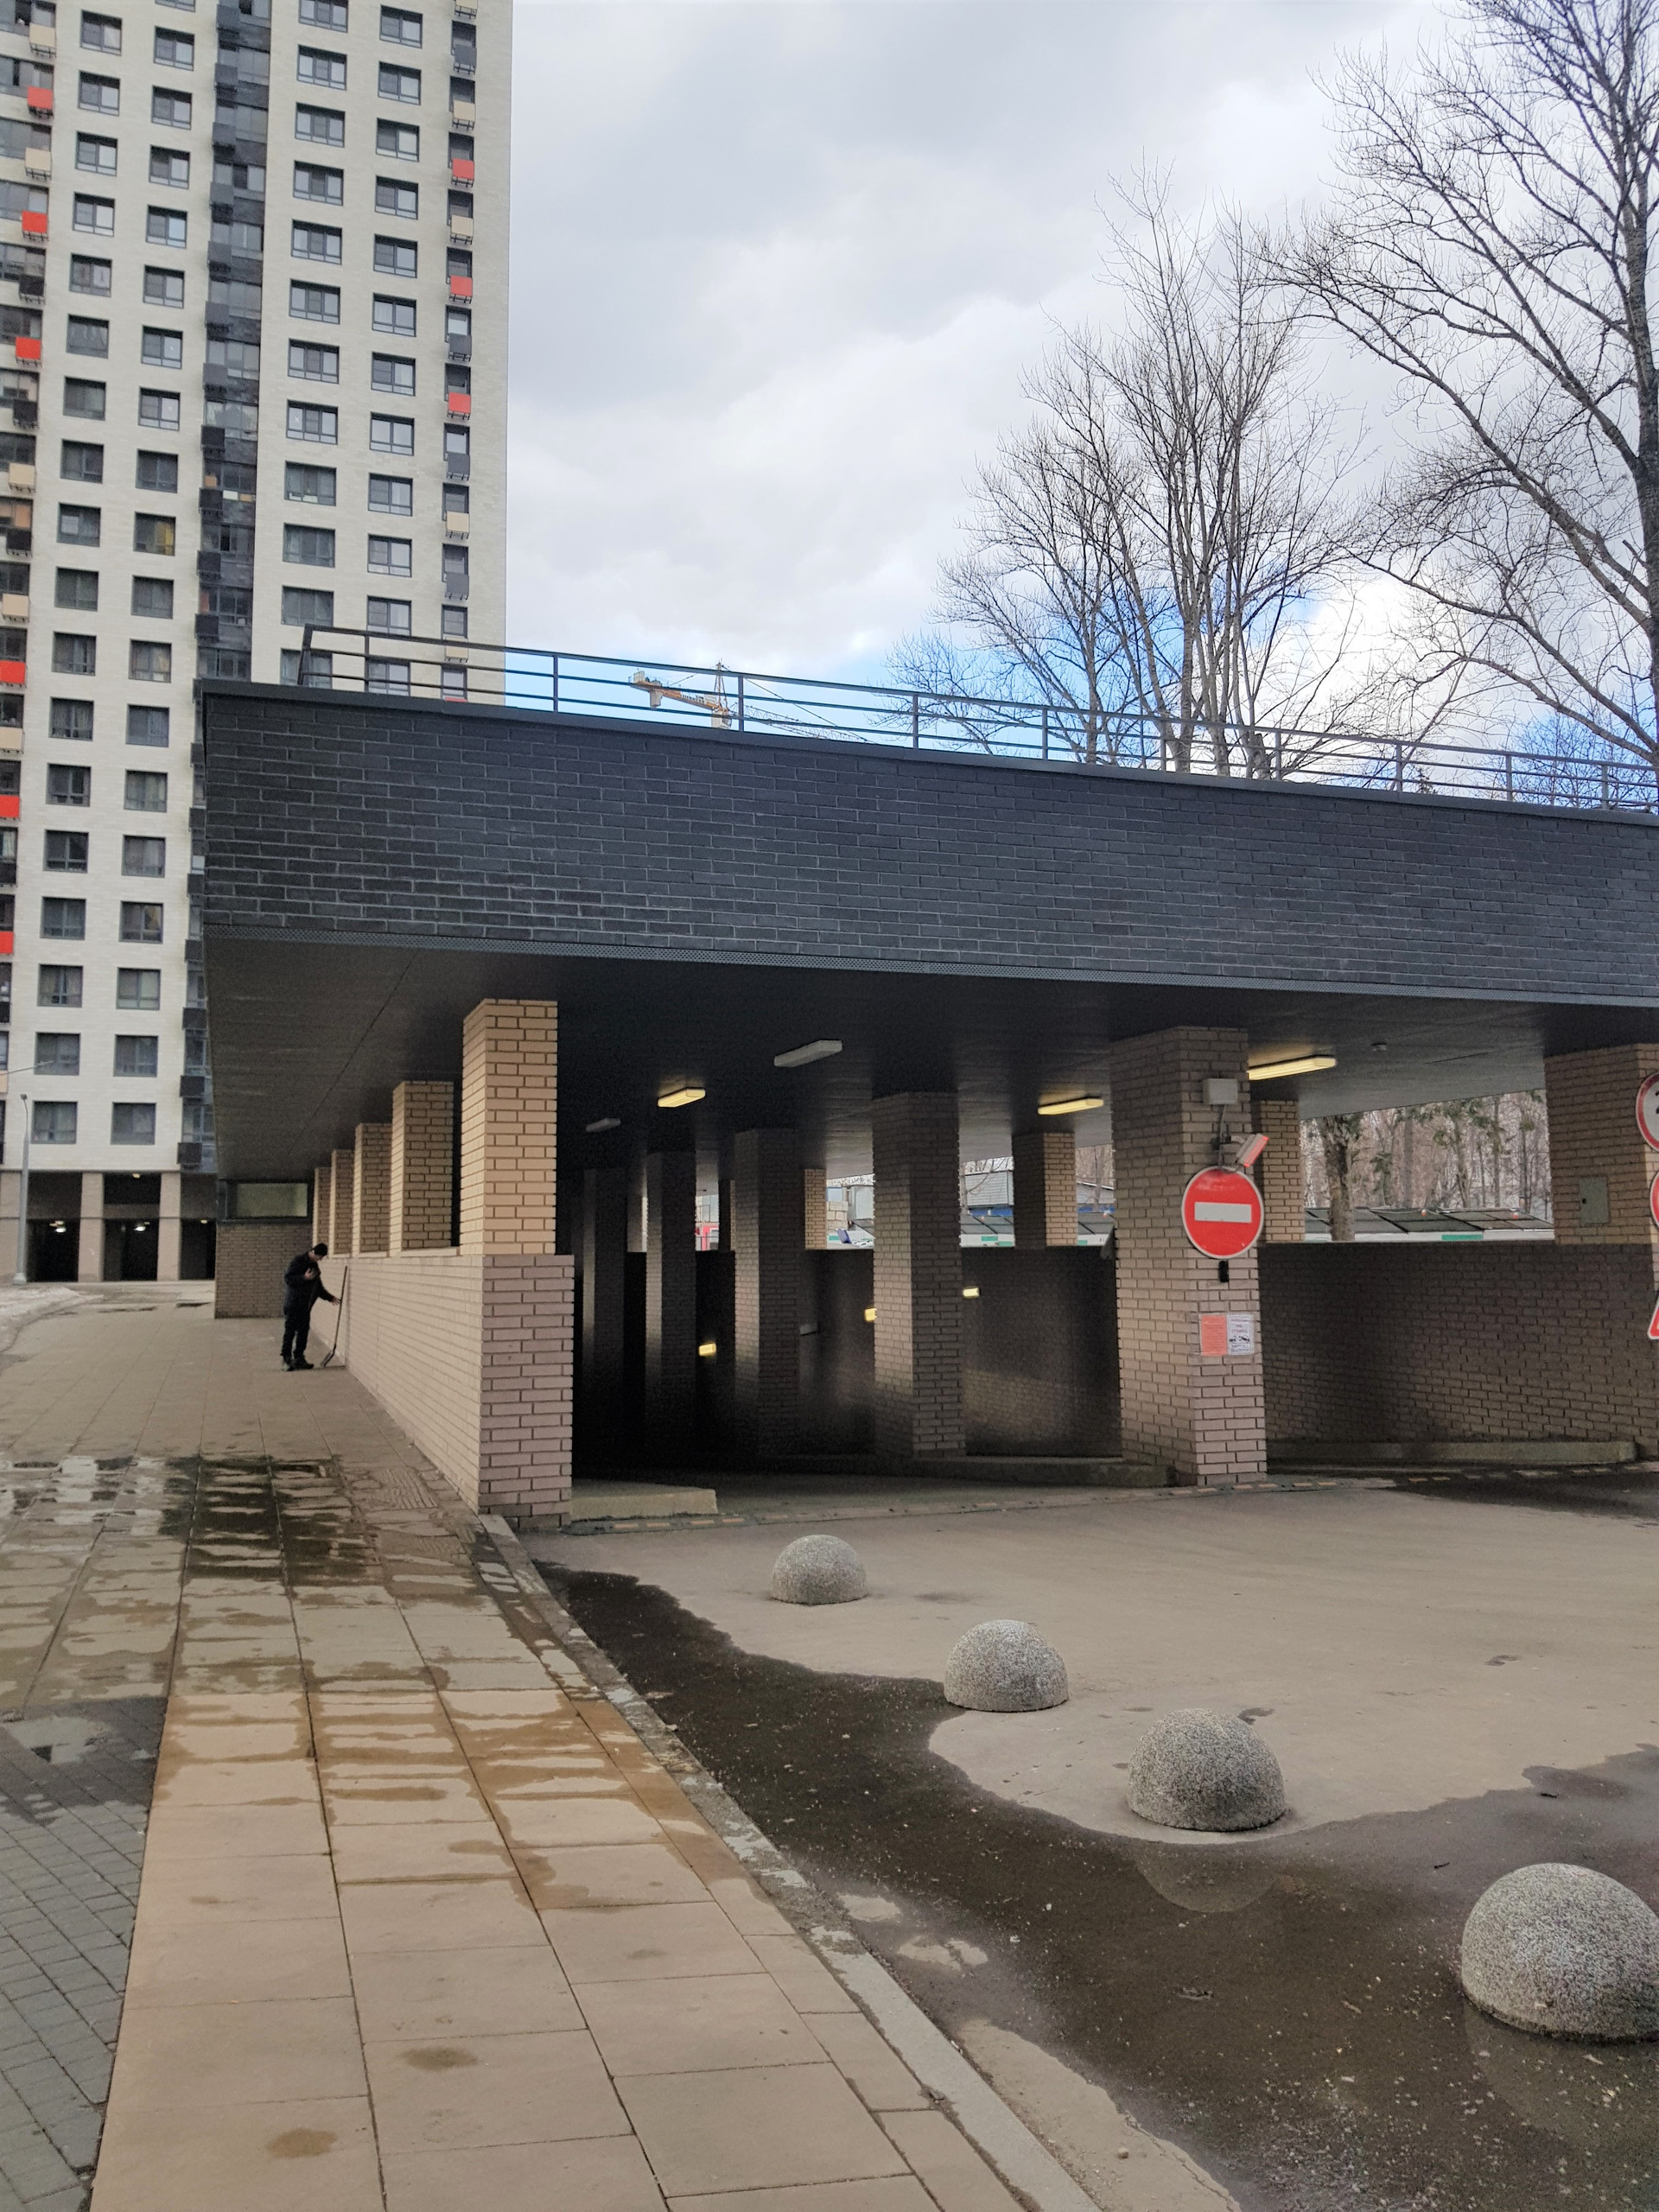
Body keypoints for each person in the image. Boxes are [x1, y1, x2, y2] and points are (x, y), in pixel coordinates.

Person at [281, 1243, 338, 1371]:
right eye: (319, 1257)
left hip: (305, 1305)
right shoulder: (298, 1261)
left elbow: (318, 1287)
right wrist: (304, 1277)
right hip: (293, 1304)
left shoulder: (314, 1266)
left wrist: (330, 1298)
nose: (320, 1260)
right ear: (314, 1253)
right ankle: (286, 1358)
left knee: (303, 1332)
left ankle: (299, 1358)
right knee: (290, 1331)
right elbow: (288, 1279)